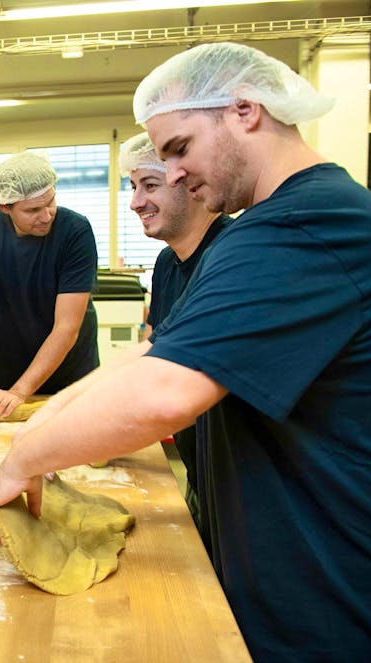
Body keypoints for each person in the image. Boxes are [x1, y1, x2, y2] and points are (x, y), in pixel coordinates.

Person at [0, 42, 371, 661]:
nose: (172, 176)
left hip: (327, 591)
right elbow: (157, 350)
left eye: (178, 148)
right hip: (285, 573)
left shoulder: (307, 224)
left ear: (244, 110)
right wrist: (53, 416)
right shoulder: (279, 224)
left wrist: (22, 461)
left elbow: (165, 394)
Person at [119, 131, 231, 545]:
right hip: (200, 471)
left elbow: (177, 386)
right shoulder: (167, 263)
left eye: (150, 185)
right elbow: (151, 358)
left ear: (190, 181)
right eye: (133, 187)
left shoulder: (229, 255)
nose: (135, 202)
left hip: (243, 484)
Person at [0, 150, 99, 421]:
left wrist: (20, 392)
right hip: (5, 382)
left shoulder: (75, 231)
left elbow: (67, 327)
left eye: (50, 201)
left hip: (72, 381)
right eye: (32, 210)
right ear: (5, 208)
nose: (46, 216)